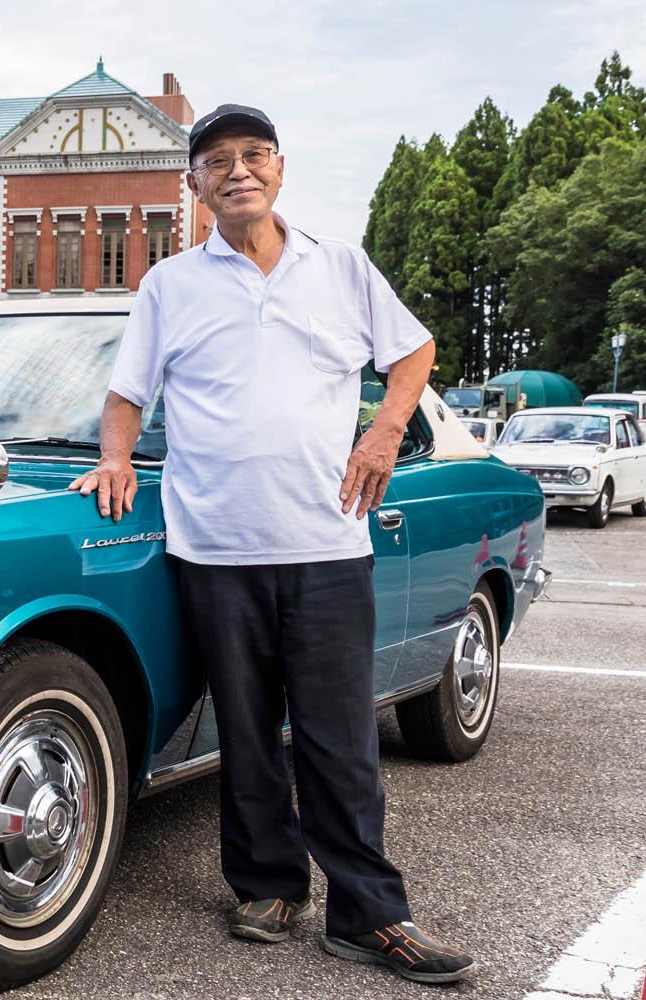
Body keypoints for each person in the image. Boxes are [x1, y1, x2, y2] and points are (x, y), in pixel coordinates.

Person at [71, 104, 475, 986]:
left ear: (280, 168)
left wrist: (382, 434)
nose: (237, 171)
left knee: (337, 737)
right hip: (213, 547)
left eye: (254, 155)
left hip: (326, 543)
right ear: (196, 183)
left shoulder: (340, 267)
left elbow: (413, 352)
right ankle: (266, 885)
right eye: (218, 161)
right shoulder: (171, 285)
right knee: (247, 731)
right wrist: (112, 461)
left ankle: (371, 915)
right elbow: (126, 395)